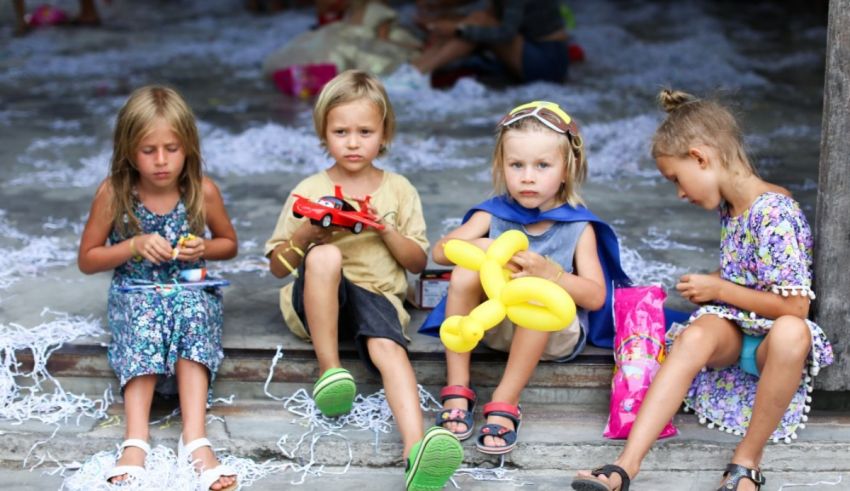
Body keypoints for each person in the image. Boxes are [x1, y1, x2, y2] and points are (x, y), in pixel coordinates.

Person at [572, 90, 834, 491]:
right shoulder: (731, 208)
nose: (679, 192)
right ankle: (626, 465)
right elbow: (745, 271)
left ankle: (746, 463)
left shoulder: (776, 213)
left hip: (773, 346)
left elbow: (795, 306)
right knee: (694, 334)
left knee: (791, 333)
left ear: (700, 157)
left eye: (676, 178)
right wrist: (712, 285)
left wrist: (719, 287)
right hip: (738, 331)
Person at [264, 69, 463, 491]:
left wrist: (384, 228)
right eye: (340, 131)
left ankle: (417, 451)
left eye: (365, 131)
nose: (353, 142)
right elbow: (278, 268)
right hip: (316, 307)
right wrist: (306, 234)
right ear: (323, 134)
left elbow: (416, 261)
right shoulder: (311, 188)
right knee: (328, 255)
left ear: (384, 134)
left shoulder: (399, 190)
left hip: (376, 300)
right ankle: (330, 373)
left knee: (389, 349)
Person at [428, 101, 628, 455]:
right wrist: (480, 243)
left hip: (552, 333)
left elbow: (596, 297)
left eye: (542, 165)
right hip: (490, 325)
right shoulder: (495, 213)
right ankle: (458, 386)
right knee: (463, 272)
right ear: (500, 166)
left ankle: (506, 399)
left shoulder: (578, 226)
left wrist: (553, 274)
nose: (528, 177)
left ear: (567, 169)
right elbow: (440, 252)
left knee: (535, 293)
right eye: (516, 165)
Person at [78, 85, 239, 490]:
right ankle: (136, 440)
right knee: (148, 315)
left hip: (189, 288)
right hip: (136, 292)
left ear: (189, 146)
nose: (162, 161)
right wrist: (130, 246)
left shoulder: (202, 190)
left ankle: (196, 439)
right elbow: (88, 258)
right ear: (128, 150)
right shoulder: (115, 194)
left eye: (172, 148)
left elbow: (229, 244)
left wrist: (204, 247)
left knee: (191, 311)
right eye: (149, 150)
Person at [410, 0, 569, 83]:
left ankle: (418, 73)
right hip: (529, 53)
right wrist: (437, 11)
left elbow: (506, 33)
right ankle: (414, 69)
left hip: (548, 61)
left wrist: (457, 30)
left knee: (476, 22)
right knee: (466, 20)